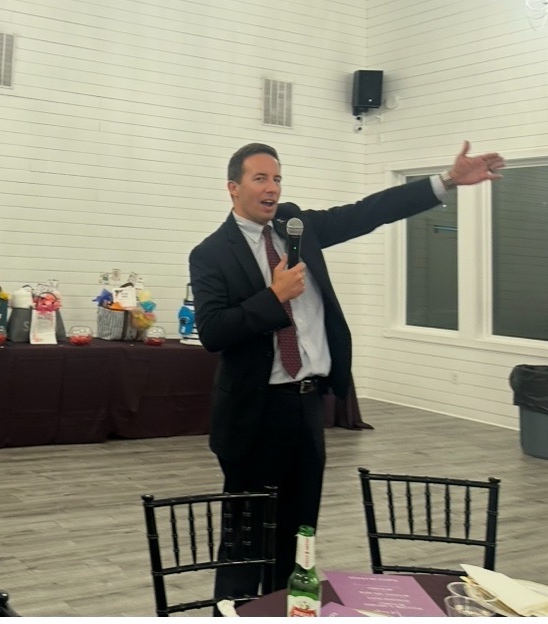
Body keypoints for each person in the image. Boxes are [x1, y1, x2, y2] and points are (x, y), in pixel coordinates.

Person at [188, 139, 504, 599]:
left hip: (306, 408)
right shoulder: (212, 252)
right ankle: (232, 613)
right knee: (245, 539)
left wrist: (447, 180)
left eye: (277, 178)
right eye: (260, 178)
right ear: (233, 188)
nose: (272, 187)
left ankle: (286, 609)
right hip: (253, 415)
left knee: (299, 535)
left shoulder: (296, 226)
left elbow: (367, 212)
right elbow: (213, 331)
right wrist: (273, 297)